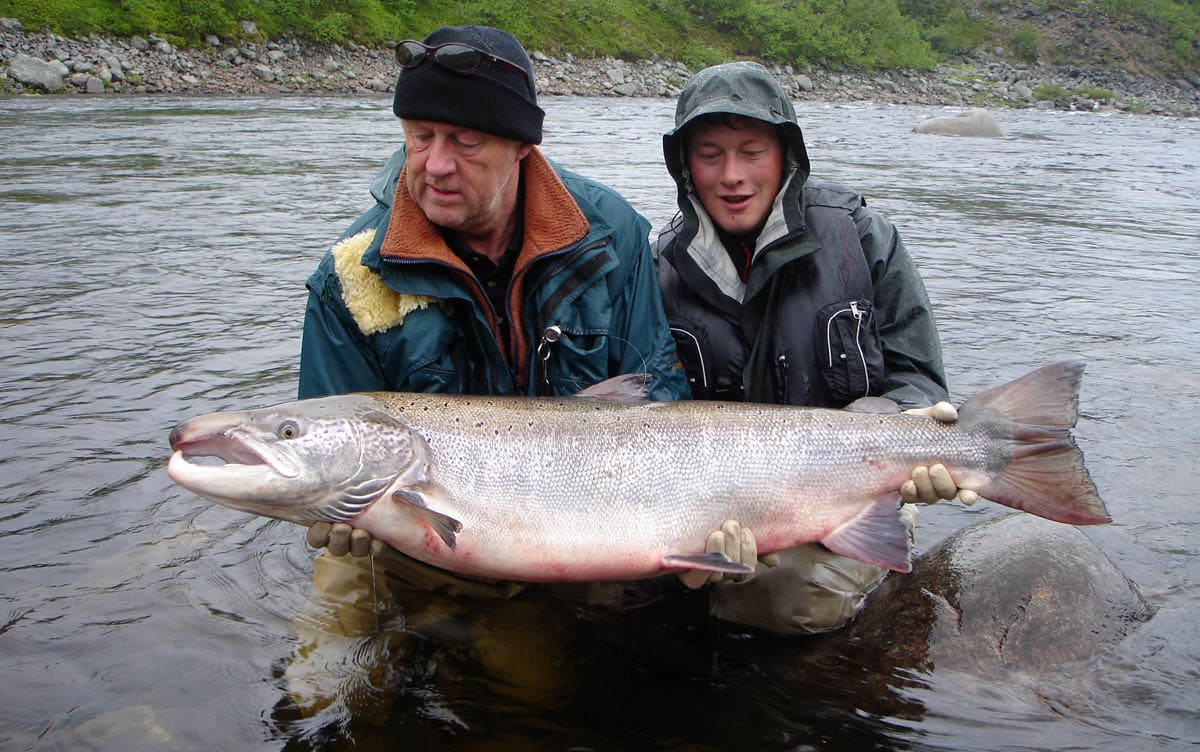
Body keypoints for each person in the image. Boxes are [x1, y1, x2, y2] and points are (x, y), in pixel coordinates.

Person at [653, 61, 969, 635]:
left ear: (786, 156)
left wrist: (913, 446)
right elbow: (650, 411)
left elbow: (918, 378)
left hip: (850, 497)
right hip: (710, 506)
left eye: (752, 151)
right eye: (710, 154)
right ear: (684, 166)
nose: (732, 175)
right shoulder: (659, 267)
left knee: (793, 599)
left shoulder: (862, 235)